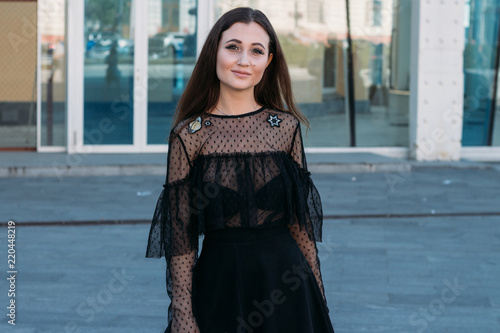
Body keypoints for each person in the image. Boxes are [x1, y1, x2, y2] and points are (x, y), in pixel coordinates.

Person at [145, 7, 335, 333]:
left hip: (287, 284)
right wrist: (183, 314)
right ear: (214, 52)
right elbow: (181, 240)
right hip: (220, 286)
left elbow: (300, 227)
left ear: (268, 61)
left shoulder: (286, 127)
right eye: (233, 47)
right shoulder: (189, 135)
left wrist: (318, 298)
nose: (244, 60)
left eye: (256, 51)